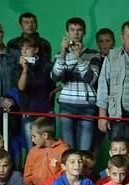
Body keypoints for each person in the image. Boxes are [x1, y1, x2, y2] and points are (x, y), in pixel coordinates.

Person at [51, 17, 101, 152]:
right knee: (68, 149)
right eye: (72, 30)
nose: (76, 33)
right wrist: (63, 53)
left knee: (86, 149)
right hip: (66, 104)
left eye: (79, 30)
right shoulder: (59, 55)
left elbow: (91, 79)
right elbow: (55, 77)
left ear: (84, 32)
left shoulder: (94, 54)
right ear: (67, 32)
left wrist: (79, 58)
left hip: (87, 106)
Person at [17, 36, 54, 154]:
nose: (24, 51)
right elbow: (21, 87)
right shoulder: (19, 66)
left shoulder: (47, 65)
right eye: (22, 49)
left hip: (46, 112)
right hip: (28, 112)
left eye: (27, 48)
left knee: (48, 149)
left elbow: (61, 80)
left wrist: (52, 94)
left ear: (36, 50)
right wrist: (25, 69)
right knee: (31, 150)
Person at [23, 117, 70, 185]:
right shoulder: (33, 151)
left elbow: (66, 174)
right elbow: (28, 175)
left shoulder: (63, 150)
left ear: (45, 135)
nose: (32, 140)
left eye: (34, 136)